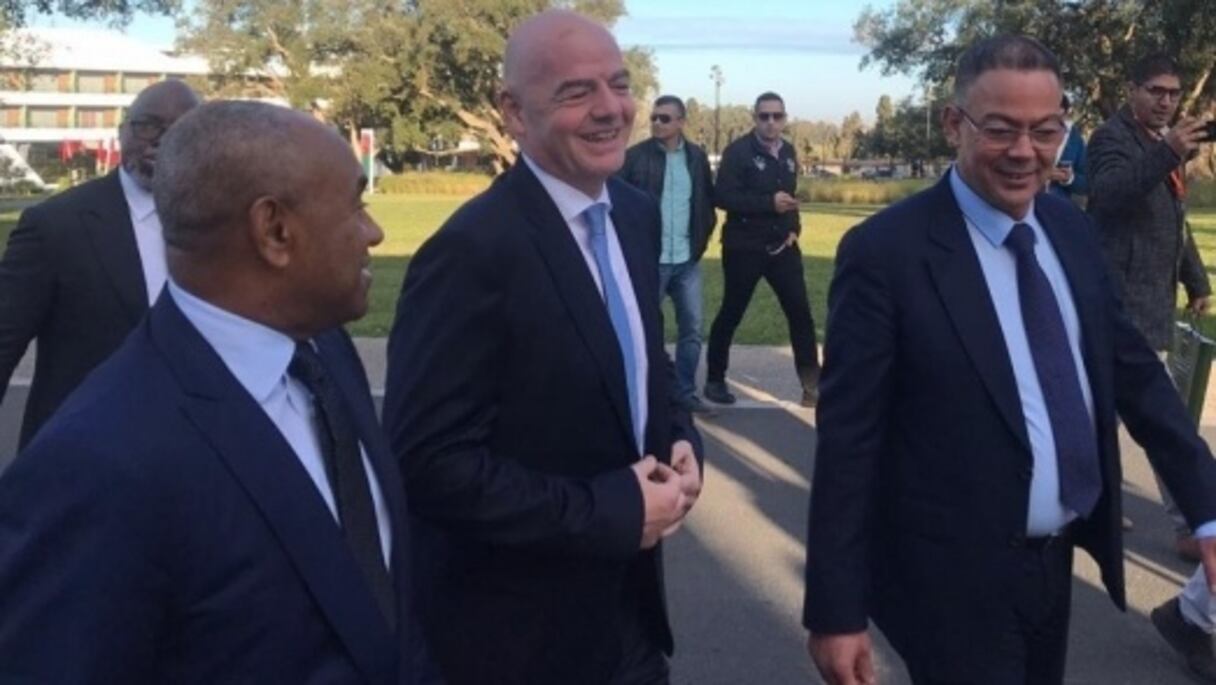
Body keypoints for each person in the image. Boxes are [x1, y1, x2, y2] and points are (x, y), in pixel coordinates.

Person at [803, 35, 1216, 685]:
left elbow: (1135, 372)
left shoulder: (1069, 230)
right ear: (953, 124)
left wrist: (1206, 507)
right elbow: (849, 440)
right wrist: (835, 610)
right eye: (1000, 129)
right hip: (951, 582)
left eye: (1045, 130)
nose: (1026, 151)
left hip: (1054, 566)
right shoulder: (886, 252)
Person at [0, 101, 427, 682]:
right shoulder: (96, 462)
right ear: (274, 231)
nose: (373, 232)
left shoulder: (323, 349)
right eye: (356, 206)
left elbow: (382, 609)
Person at [383, 10, 702, 685]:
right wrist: (610, 512)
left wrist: (680, 436)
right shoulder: (471, 252)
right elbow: (428, 465)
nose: (611, 108)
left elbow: (643, 364)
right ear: (513, 112)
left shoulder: (634, 217)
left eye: (619, 84)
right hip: (519, 642)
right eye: (577, 92)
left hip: (631, 622)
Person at [0, 79, 200, 452]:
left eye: (182, 130)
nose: (161, 140)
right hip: (81, 453)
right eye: (148, 125)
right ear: (122, 131)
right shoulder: (55, 226)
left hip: (197, 453)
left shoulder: (227, 221)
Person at [1088, 53, 1213, 564]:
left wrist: (1195, 279)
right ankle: (1194, 522)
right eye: (1155, 91)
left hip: (1152, 304)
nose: (1166, 101)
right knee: (1163, 421)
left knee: (1115, 416)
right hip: (1120, 303)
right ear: (1131, 90)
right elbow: (1109, 195)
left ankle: (1095, 500)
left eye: (1173, 93)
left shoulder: (1162, 144)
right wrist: (1169, 152)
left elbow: (1172, 221)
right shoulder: (1111, 139)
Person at [704, 91, 819, 407]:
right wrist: (768, 203)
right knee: (732, 311)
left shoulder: (789, 152)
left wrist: (794, 228)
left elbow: (790, 196)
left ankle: (812, 386)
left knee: (800, 314)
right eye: (764, 116)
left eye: (776, 116)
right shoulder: (738, 152)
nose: (770, 122)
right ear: (754, 118)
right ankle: (715, 379)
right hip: (744, 247)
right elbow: (722, 197)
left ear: (784, 118)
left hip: (783, 247)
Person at [619, 94, 717, 414]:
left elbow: (706, 203)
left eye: (665, 118)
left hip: (687, 260)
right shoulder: (634, 157)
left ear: (681, 122)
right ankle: (651, 393)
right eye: (654, 117)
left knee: (692, 330)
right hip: (650, 261)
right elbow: (616, 205)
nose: (657, 123)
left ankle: (685, 393)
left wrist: (701, 241)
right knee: (645, 329)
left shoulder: (696, 157)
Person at [1047, 94, 1088, 200]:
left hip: (1057, 205)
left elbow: (1086, 183)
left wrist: (1068, 178)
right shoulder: (1028, 132)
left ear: (1063, 110)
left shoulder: (1075, 139)